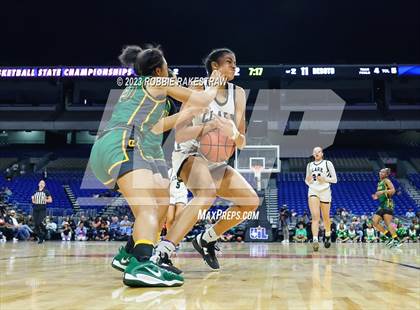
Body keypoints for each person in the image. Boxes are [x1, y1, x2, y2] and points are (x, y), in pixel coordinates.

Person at [90, 44, 224, 287]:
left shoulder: (143, 91)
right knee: (148, 208)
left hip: (120, 146)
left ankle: (130, 253)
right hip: (123, 143)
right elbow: (203, 98)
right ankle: (140, 265)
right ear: (159, 70)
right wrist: (214, 82)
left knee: (162, 201)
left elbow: (161, 125)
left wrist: (194, 105)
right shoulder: (158, 82)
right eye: (168, 67)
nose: (170, 70)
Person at [152, 48, 259, 271]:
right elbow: (180, 134)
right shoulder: (197, 88)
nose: (234, 66)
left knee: (250, 201)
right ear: (214, 66)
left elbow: (242, 143)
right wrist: (208, 127)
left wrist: (233, 134)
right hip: (189, 152)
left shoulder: (238, 93)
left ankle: (206, 239)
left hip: (216, 160)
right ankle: (162, 252)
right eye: (229, 62)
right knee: (207, 192)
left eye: (235, 63)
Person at [304, 147, 337, 251]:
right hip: (313, 190)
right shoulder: (309, 165)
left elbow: (335, 180)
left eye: (318, 151)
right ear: (313, 154)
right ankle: (315, 240)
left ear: (322, 154)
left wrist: (325, 179)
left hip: (325, 191)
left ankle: (327, 235)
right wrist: (307, 180)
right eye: (314, 152)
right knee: (315, 216)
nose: (316, 153)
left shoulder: (328, 163)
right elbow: (307, 180)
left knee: (326, 217)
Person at [371, 168, 400, 248]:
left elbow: (393, 190)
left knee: (388, 223)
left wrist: (382, 192)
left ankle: (396, 240)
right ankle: (390, 237)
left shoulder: (386, 180)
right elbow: (381, 194)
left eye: (382, 172)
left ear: (386, 174)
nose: (380, 173)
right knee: (374, 222)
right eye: (380, 171)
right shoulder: (379, 183)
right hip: (382, 204)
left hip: (388, 203)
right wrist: (376, 196)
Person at [31, 180, 52, 244]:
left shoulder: (46, 191)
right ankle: (41, 237)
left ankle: (45, 231)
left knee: (39, 222)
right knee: (36, 225)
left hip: (42, 208)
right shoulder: (35, 191)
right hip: (35, 208)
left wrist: (45, 199)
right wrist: (33, 199)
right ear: (38, 184)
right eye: (40, 183)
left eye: (43, 183)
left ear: (44, 185)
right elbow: (33, 201)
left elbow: (50, 200)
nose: (41, 184)